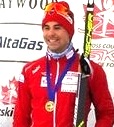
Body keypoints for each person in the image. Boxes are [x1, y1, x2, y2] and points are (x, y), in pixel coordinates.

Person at [13, 1, 114, 127]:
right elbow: (21, 117)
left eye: (57, 27)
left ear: (69, 31)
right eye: (46, 28)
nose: (50, 34)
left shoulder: (89, 69)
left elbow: (107, 113)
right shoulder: (30, 70)